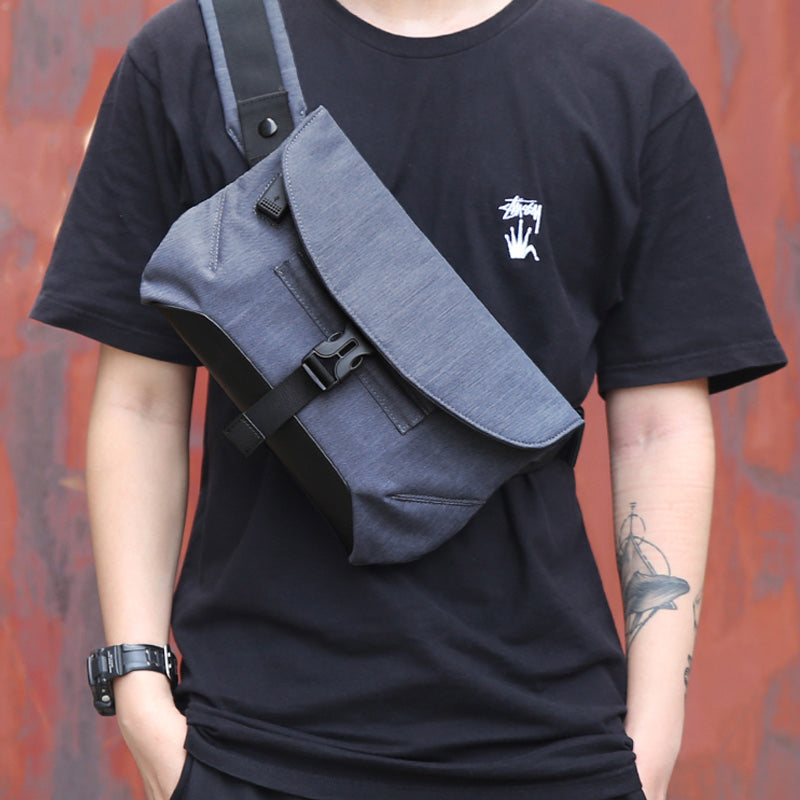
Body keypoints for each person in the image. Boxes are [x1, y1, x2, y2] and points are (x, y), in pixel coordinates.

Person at [31, 0, 786, 798]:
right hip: (250, 743)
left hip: (553, 744)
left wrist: (655, 739)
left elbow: (660, 426)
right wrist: (141, 693)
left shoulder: (626, 78)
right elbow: (142, 402)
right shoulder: (197, 54)